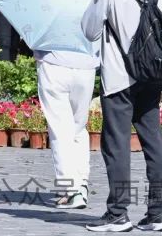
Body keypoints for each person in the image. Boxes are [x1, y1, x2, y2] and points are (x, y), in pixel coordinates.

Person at [81, 0, 162, 233]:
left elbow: (89, 31)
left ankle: (118, 214)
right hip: (152, 75)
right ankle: (159, 214)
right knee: (154, 142)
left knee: (116, 145)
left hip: (119, 78)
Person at [36, 42, 99, 210]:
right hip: (86, 64)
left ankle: (72, 190)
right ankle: (81, 184)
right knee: (78, 127)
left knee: (60, 130)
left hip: (53, 62)